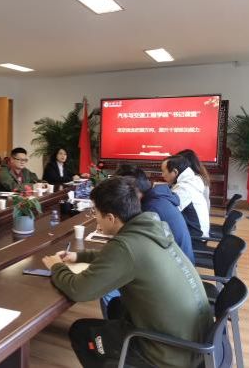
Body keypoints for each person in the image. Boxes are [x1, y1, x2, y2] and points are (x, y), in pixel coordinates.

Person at [42, 177, 212, 368]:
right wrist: (79, 256)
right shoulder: (152, 228)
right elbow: (121, 258)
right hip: (192, 342)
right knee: (116, 306)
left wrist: (56, 267)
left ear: (110, 218)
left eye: (96, 213)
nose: (95, 219)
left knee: (81, 332)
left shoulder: (126, 246)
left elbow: (79, 290)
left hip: (168, 353)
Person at [115, 164, 195, 263]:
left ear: (133, 189)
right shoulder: (157, 198)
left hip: (176, 264)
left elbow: (136, 243)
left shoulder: (151, 209)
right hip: (181, 261)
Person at [161, 155, 210, 238]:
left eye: (163, 171)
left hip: (195, 238)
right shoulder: (191, 181)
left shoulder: (184, 189)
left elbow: (167, 212)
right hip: (196, 233)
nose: (162, 175)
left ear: (175, 172)